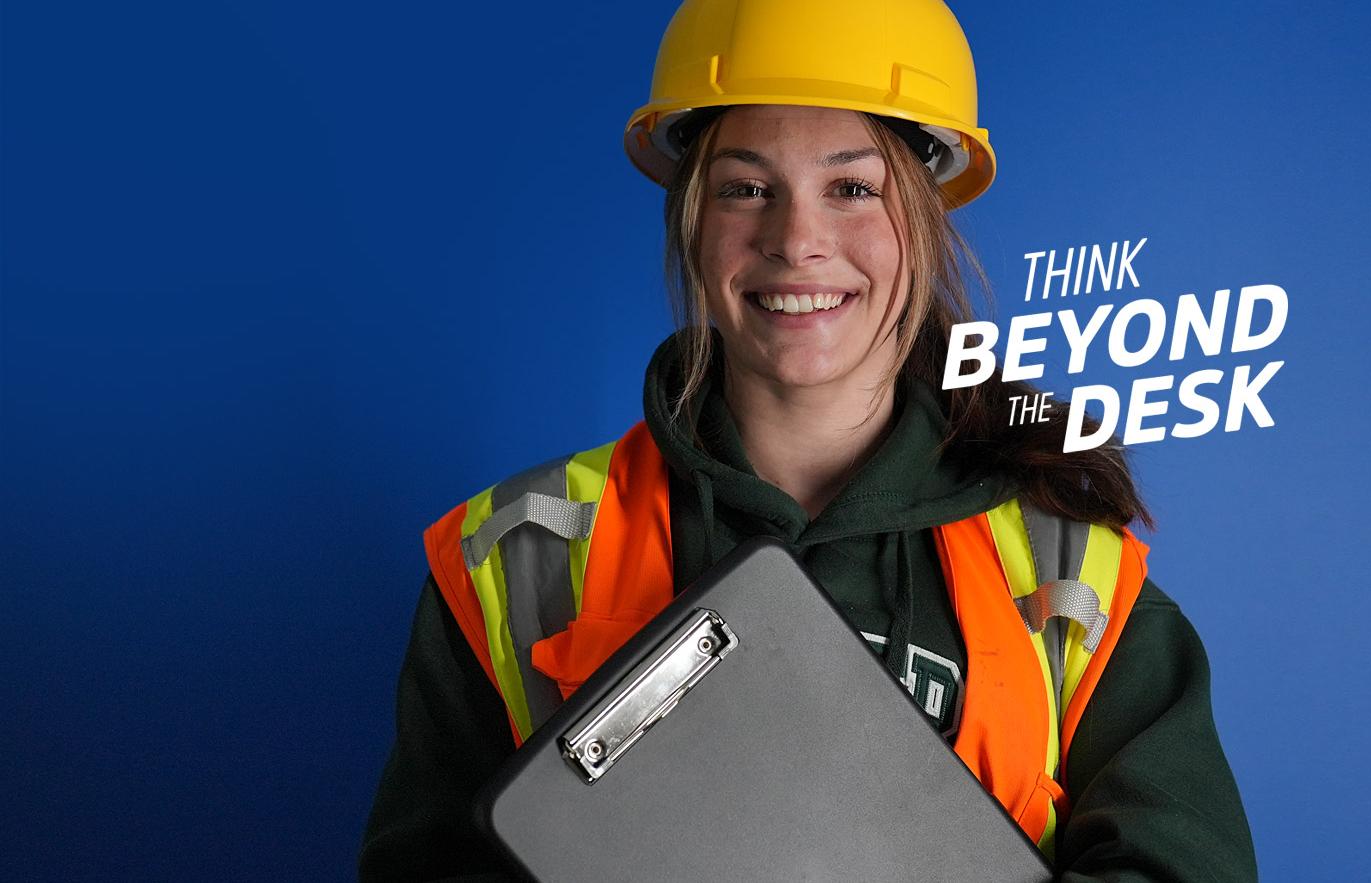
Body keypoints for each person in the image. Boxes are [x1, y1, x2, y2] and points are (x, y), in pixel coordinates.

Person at [359, 1, 1256, 879]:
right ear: (691, 221)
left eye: (852, 188)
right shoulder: (514, 557)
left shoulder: (1074, 582)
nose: (797, 240)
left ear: (925, 217)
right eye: (747, 188)